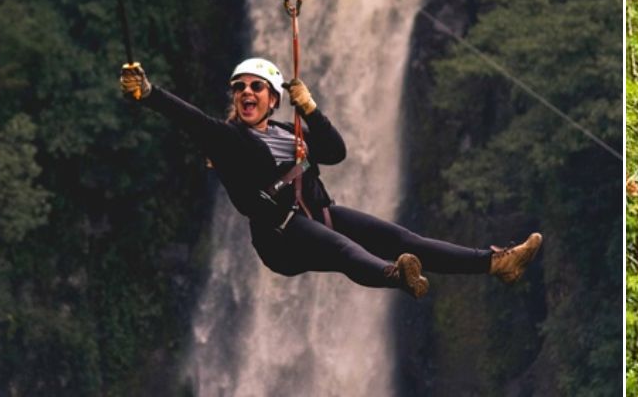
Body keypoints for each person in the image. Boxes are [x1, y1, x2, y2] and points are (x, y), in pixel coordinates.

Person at [118, 58, 542, 297]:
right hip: (281, 237)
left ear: (273, 99)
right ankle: (394, 275)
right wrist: (150, 93)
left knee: (404, 239)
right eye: (239, 87)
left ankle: (496, 262)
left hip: (319, 214)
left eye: (256, 88)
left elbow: (336, 152)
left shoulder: (290, 131)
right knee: (344, 249)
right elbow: (191, 120)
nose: (246, 93)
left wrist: (311, 110)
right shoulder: (229, 139)